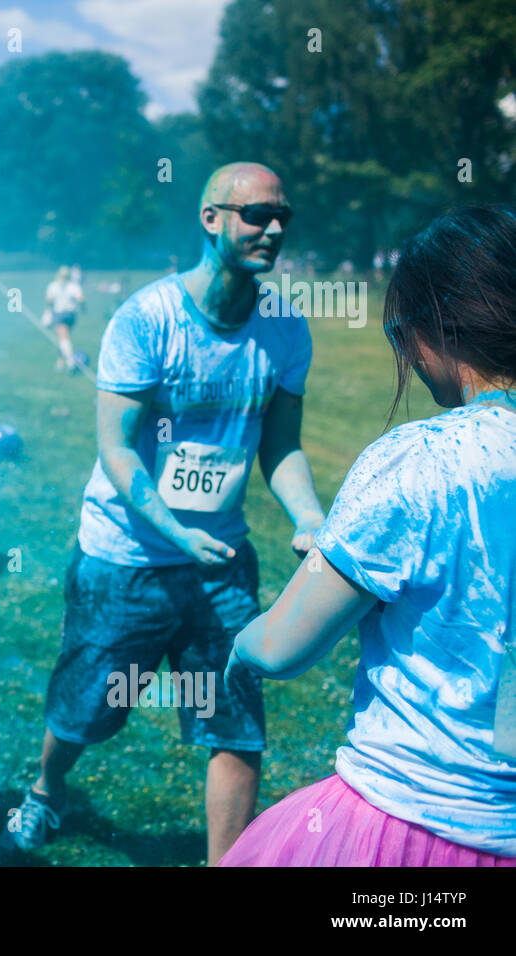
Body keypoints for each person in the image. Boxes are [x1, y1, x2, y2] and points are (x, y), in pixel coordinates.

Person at [2, 162, 325, 865]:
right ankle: (47, 789)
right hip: (126, 557)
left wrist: (309, 517)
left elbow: (282, 445)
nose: (273, 229)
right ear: (211, 219)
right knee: (86, 709)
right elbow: (116, 447)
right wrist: (177, 531)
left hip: (221, 564)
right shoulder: (146, 319)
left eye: (282, 217)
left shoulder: (284, 326)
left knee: (234, 722)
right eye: (256, 215)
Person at [220, 204, 516, 866]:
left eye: (400, 331)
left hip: (404, 825)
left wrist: (240, 647)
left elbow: (283, 648)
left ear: (438, 325)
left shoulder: (420, 461)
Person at [44, 265, 85, 372]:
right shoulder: (74, 286)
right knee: (63, 338)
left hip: (60, 314)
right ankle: (60, 362)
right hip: (71, 315)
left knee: (64, 339)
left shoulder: (53, 286)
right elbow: (80, 299)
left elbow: (48, 300)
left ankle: (71, 363)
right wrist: (82, 307)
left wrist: (47, 314)